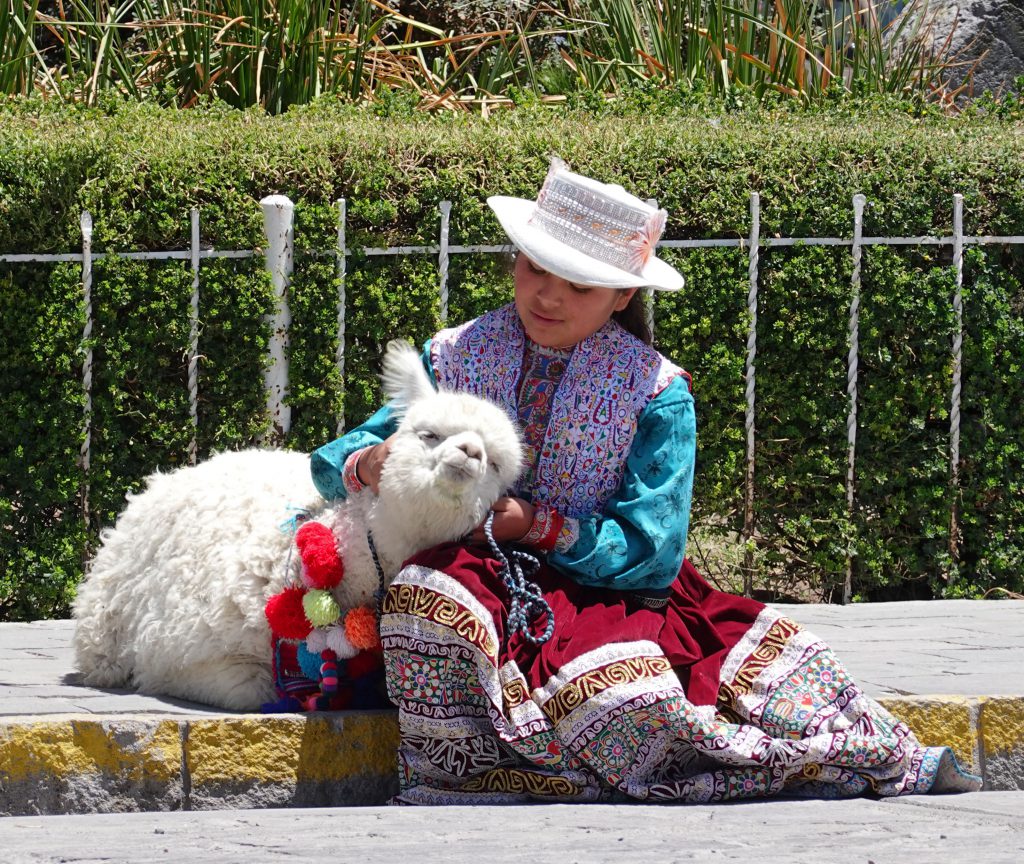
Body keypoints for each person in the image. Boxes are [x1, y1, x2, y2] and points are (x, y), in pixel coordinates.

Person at [310, 157, 981, 804]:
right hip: (469, 571)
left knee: (624, 698)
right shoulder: (454, 354)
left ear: (623, 294)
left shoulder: (656, 393)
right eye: (537, 268)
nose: (548, 295)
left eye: (579, 286)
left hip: (599, 593)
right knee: (426, 603)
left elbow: (652, 553)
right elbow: (335, 456)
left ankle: (802, 762)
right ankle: (474, 769)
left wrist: (537, 526)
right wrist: (367, 462)